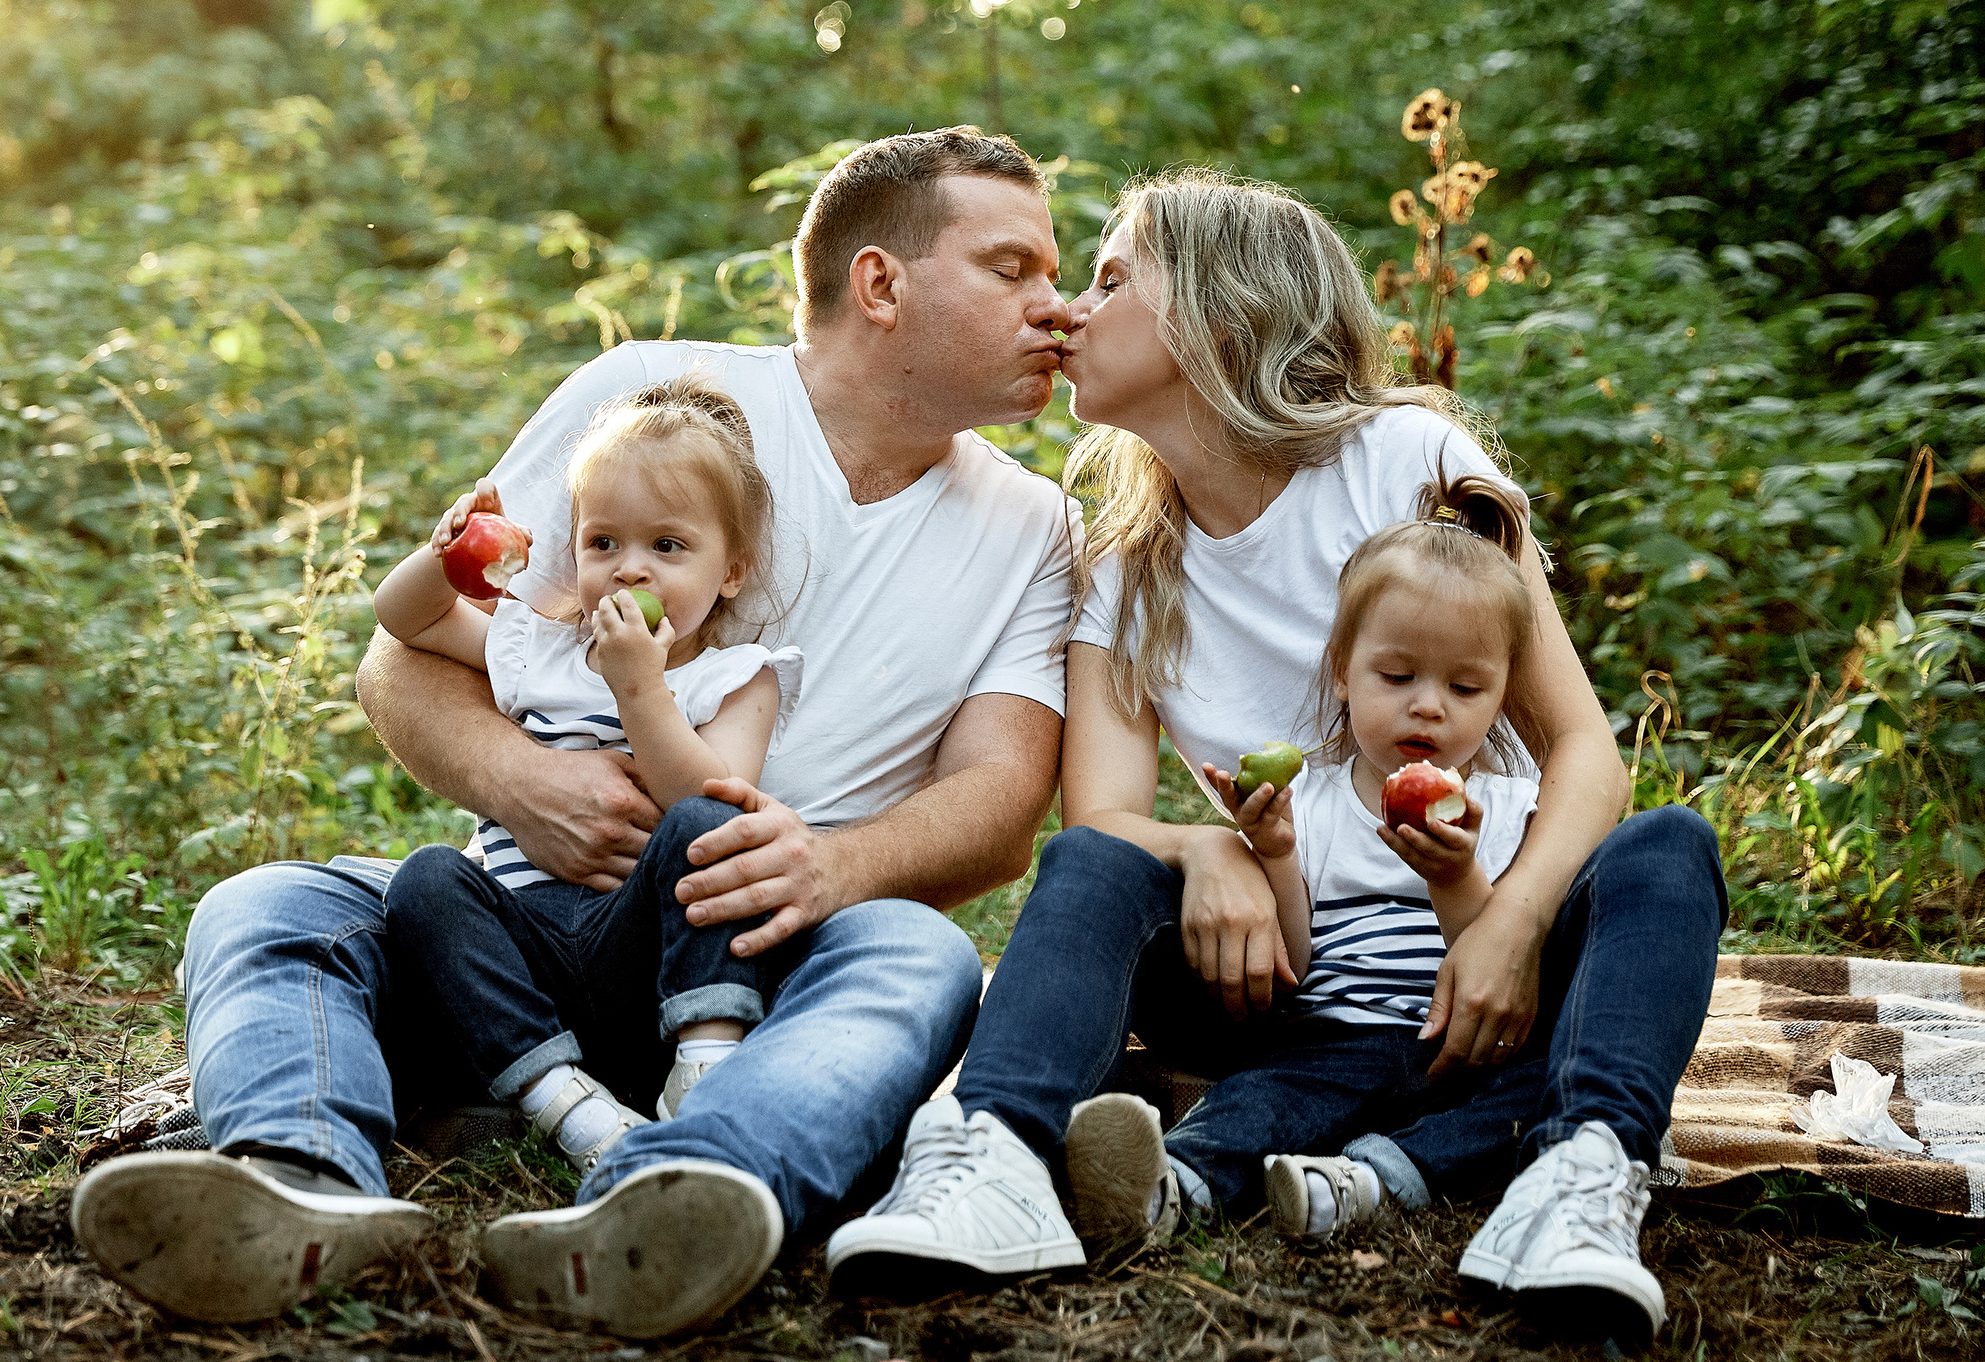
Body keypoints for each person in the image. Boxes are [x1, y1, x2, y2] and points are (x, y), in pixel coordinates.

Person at [72, 127, 1081, 1338]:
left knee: (916, 962)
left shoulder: (1033, 527)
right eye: (1014, 269)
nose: (1055, 307)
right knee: (269, 906)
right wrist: (520, 778)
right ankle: (296, 1184)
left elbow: (1002, 801)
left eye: (1053, 275)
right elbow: (411, 652)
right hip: (525, 930)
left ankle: (679, 1190)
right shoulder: (652, 399)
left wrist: (833, 866)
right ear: (881, 283)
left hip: (766, 959)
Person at [827, 170, 1726, 1349]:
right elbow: (1098, 817)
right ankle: (992, 1155)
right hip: (1282, 970)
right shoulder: (1121, 558)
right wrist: (1206, 848)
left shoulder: (1405, 458)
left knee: (1668, 847)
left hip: (1482, 950)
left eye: (1106, 282)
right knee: (1094, 872)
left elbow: (1586, 759)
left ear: (1218, 316)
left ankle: (1581, 1176)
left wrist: (1509, 924)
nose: (1064, 312)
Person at [369, 373, 804, 1175]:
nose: (629, 570)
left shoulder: (738, 675)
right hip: (521, 941)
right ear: (574, 556)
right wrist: (444, 557)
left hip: (643, 950)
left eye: (667, 546)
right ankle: (563, 1101)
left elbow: (712, 800)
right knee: (426, 879)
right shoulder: (540, 648)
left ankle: (704, 1073)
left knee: (712, 833)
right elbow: (407, 618)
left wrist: (639, 687)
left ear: (732, 570)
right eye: (604, 543)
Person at [1168, 472, 1546, 1235]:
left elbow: (1500, 962)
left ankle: (1372, 1177)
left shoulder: (1510, 809)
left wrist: (1457, 875)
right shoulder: (1309, 803)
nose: (1428, 704)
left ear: (1503, 694)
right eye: (1398, 675)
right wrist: (1275, 852)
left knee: (1537, 1095)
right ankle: (1171, 1184)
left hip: (1462, 1055)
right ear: (1343, 672)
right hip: (1331, 1040)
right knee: (1259, 1097)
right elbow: (1296, 965)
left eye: (1466, 687)